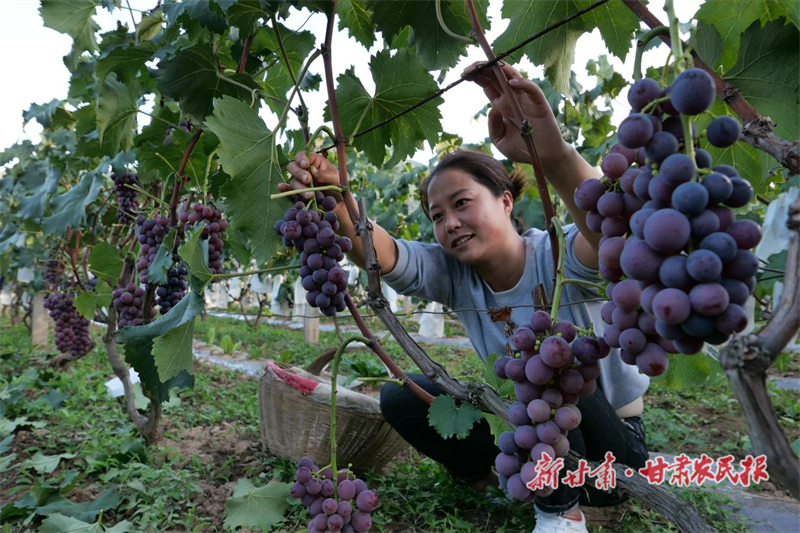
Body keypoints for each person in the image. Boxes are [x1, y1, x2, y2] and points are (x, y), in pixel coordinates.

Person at [280, 62, 650, 533]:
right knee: (400, 396)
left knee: (559, 370)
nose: (449, 223)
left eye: (461, 204)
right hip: (527, 432)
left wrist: (548, 150)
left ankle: (563, 513)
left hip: (611, 451)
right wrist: (334, 201)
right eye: (437, 216)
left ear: (506, 200)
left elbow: (605, 227)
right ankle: (492, 480)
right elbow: (389, 256)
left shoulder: (558, 252)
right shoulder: (456, 274)